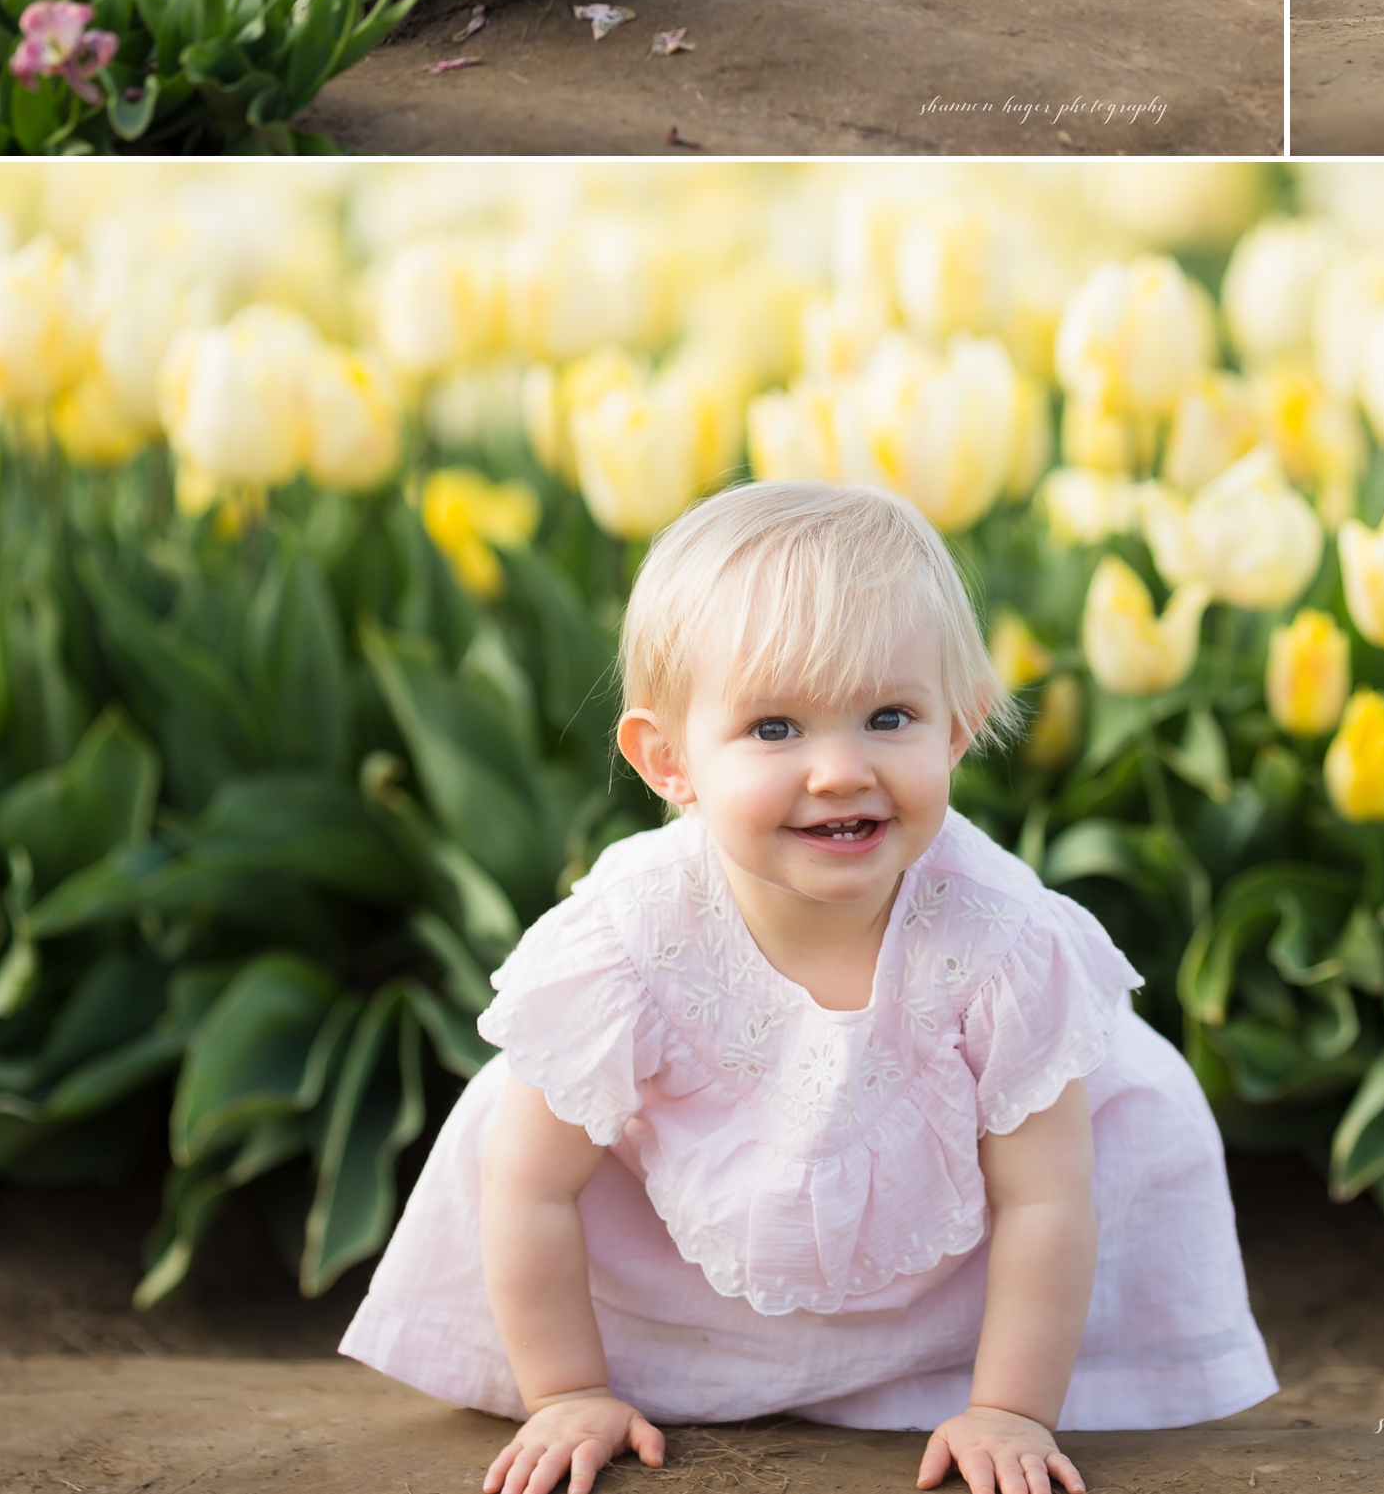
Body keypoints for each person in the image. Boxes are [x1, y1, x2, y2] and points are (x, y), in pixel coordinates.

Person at [341, 481, 1275, 1494]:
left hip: (952, 1276)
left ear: (954, 731)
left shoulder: (997, 937)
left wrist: (1008, 1409)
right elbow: (529, 1185)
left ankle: (940, 1381)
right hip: (680, 1260)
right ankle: (646, 1372)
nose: (838, 770)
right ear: (669, 761)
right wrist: (566, 1388)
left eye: (888, 716)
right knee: (514, 1117)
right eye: (775, 728)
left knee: (1129, 1114)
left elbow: (1045, 1199)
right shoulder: (630, 935)